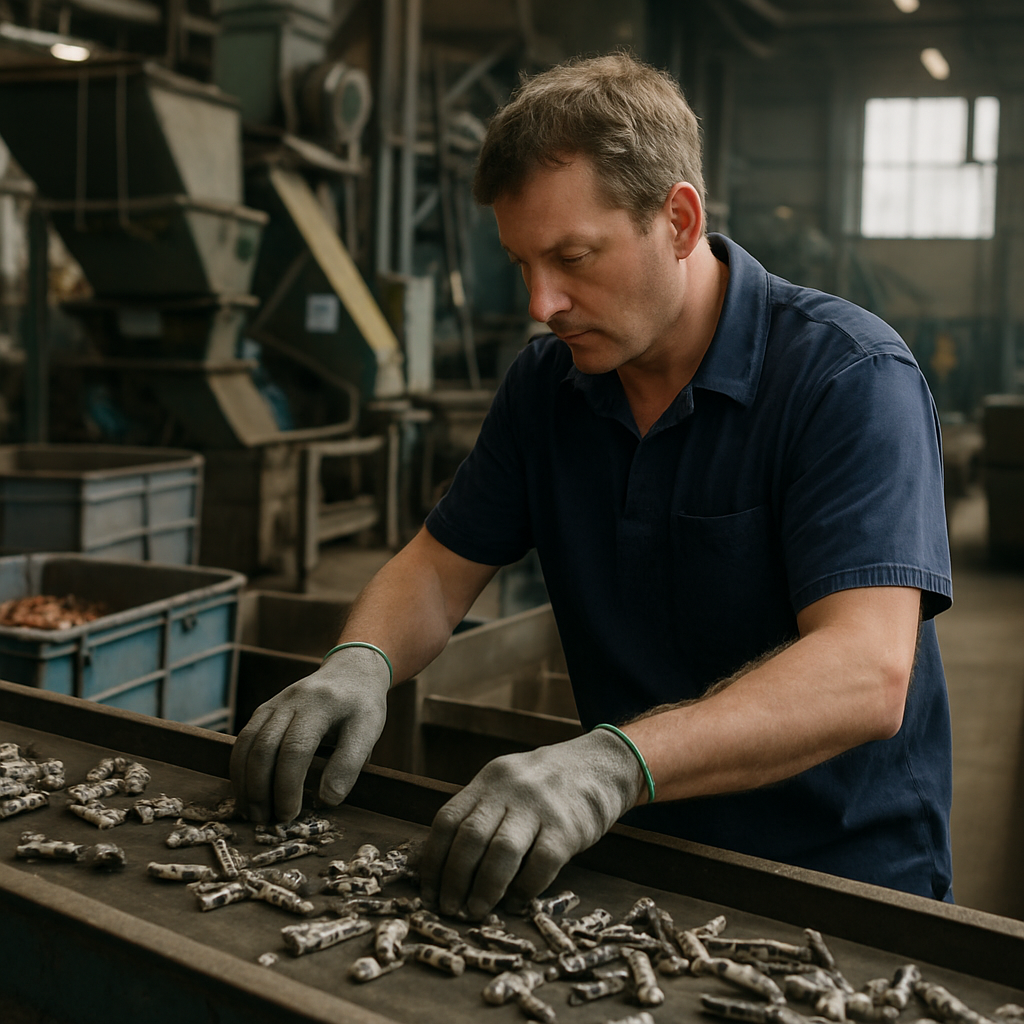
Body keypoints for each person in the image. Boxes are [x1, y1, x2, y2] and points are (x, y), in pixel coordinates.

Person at [231, 52, 954, 918]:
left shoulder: (847, 378)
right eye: (522, 264)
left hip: (838, 885)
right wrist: (360, 662)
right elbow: (437, 568)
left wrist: (612, 762)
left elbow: (866, 672)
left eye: (574, 257)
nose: (543, 303)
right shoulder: (549, 390)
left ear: (678, 220)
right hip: (632, 860)